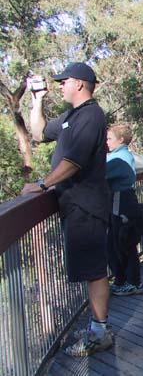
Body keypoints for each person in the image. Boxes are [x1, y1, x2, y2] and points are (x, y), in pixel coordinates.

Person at [22, 62, 113, 356]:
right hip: (73, 205)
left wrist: (43, 184)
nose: (60, 85)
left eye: (65, 81)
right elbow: (38, 133)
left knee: (94, 270)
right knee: (88, 269)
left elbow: (75, 161)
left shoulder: (91, 115)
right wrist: (36, 100)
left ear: (81, 84)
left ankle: (100, 333)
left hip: (86, 205)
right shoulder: (70, 116)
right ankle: (97, 327)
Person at [106, 123, 143, 296]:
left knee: (121, 243)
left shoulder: (119, 159)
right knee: (119, 243)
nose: (106, 142)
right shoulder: (123, 155)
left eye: (109, 138)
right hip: (123, 200)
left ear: (121, 140)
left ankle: (130, 282)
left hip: (121, 201)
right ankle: (126, 280)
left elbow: (99, 174)